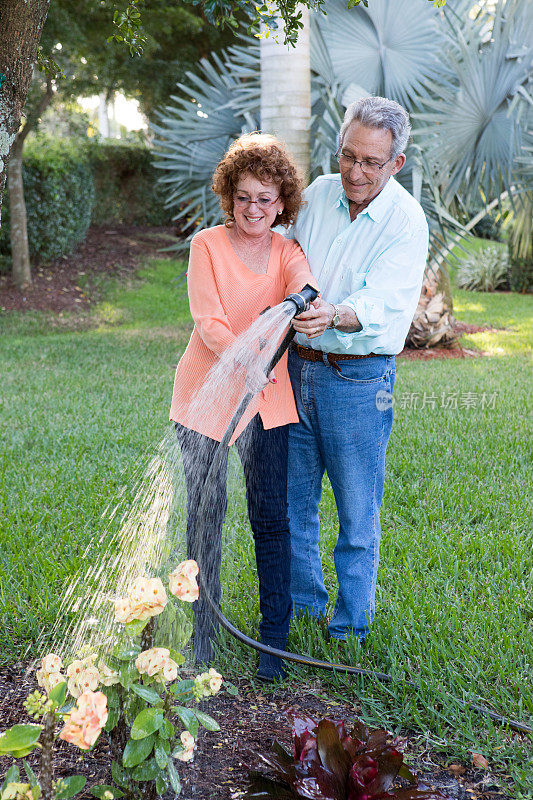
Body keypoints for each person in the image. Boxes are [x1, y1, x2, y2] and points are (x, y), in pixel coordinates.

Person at [169, 133, 317, 681]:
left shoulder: (287, 252)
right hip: (205, 396)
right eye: (244, 196)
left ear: (282, 203)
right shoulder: (205, 245)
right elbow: (209, 322)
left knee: (270, 520)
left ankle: (271, 643)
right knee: (205, 516)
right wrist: (245, 361)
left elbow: (305, 288)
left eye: (266, 198)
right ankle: (201, 634)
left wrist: (302, 298)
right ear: (229, 195)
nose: (255, 208)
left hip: (267, 401)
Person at [287, 96, 429, 643]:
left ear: (396, 164)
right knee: (295, 502)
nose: (355, 172)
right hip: (297, 372)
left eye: (371, 162)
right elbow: (282, 250)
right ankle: (301, 611)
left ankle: (349, 628)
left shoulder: (405, 221)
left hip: (359, 380)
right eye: (348, 156)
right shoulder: (320, 193)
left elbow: (384, 304)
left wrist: (336, 313)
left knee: (356, 510)